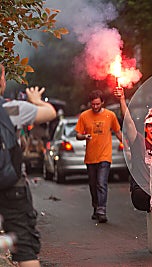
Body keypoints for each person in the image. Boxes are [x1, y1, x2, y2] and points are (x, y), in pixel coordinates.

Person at [0, 64, 56, 267]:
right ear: (1, 81)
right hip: (12, 187)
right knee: (25, 248)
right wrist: (36, 100)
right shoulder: (11, 108)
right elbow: (50, 113)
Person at [113, 88, 152, 212]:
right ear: (145, 128)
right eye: (150, 126)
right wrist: (121, 99)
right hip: (142, 192)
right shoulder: (139, 142)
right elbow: (129, 122)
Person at [75, 90, 122, 223]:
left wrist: (128, 144)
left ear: (102, 102)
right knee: (93, 184)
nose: (95, 107)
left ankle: (102, 209)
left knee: (102, 183)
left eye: (97, 104)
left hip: (105, 155)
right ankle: (96, 206)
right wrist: (84, 136)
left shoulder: (110, 115)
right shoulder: (84, 116)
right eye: (93, 104)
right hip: (90, 157)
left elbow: (118, 132)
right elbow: (77, 134)